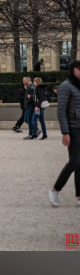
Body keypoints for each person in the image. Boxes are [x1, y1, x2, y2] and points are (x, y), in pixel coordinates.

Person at [48, 56, 80, 208]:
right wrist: (65, 132)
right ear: (75, 70)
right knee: (74, 161)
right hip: (73, 129)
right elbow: (61, 111)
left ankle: (79, 196)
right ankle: (55, 189)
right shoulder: (65, 86)